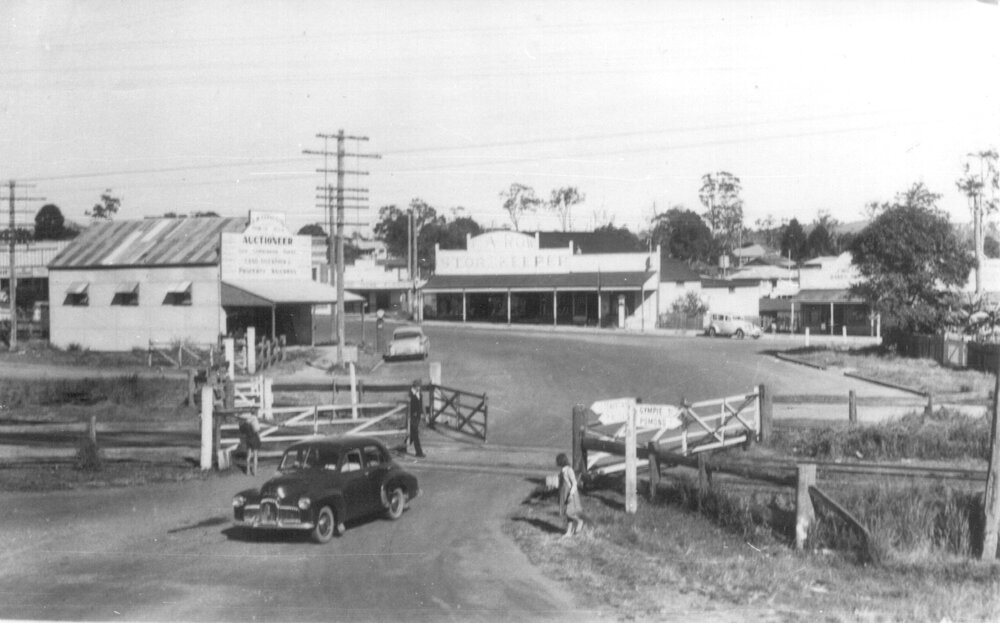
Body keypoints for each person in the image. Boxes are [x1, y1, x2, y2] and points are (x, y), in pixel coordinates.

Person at [556, 453, 584, 537]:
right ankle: (569, 532)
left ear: (561, 461)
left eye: (557, 461)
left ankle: (579, 521)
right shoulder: (562, 471)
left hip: (570, 494)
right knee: (566, 513)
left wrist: (571, 494)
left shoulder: (569, 470)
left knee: (569, 512)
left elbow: (574, 483)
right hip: (564, 494)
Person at [407, 379, 425, 458]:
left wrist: (424, 415)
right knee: (415, 433)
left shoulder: (419, 394)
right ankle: (419, 452)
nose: (419, 388)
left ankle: (403, 447)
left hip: (417, 416)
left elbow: (422, 405)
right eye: (418, 386)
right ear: (415, 386)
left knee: (412, 433)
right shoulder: (410, 394)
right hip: (412, 416)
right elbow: (408, 406)